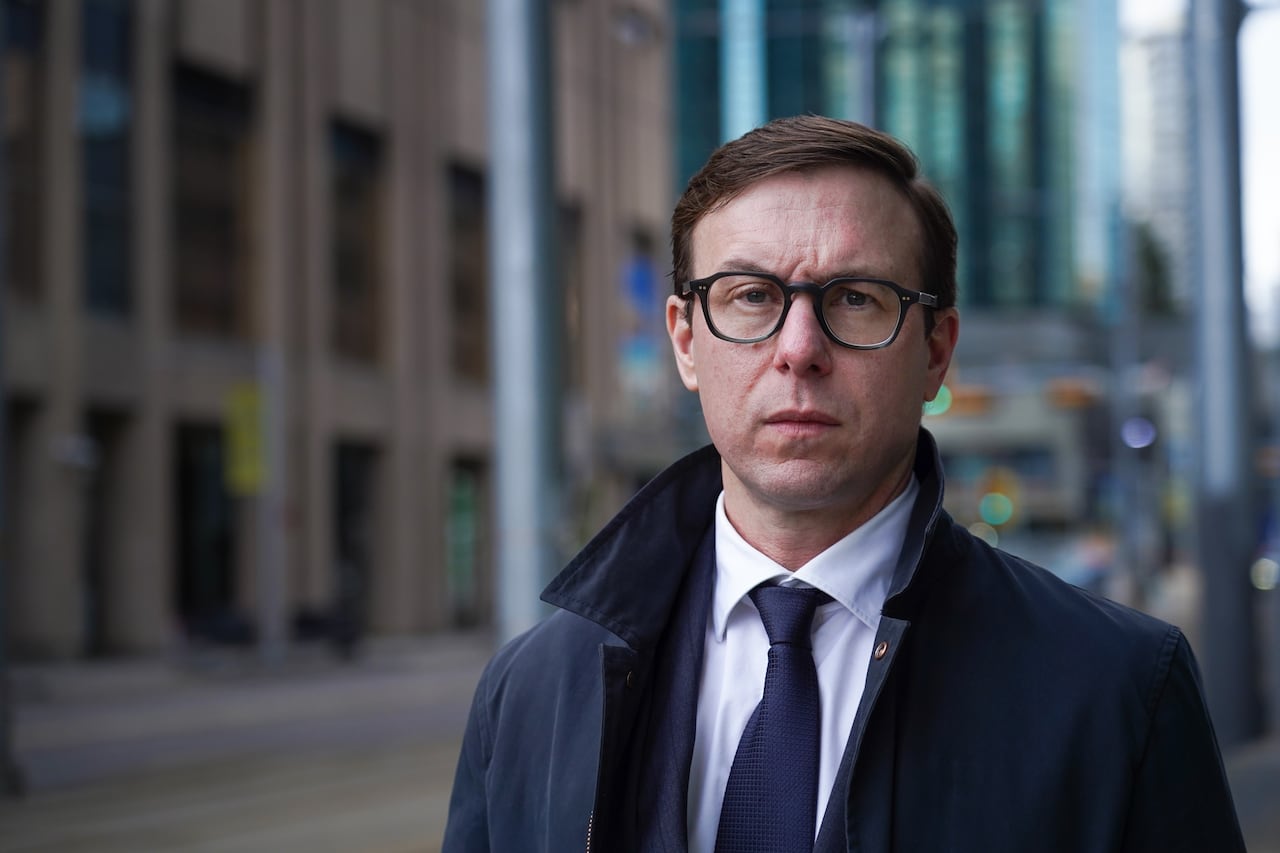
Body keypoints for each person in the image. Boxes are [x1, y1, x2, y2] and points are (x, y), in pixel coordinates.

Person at [442, 116, 1244, 852]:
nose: (799, 348)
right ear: (686, 341)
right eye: (751, 296)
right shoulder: (530, 694)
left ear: (935, 351)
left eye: (856, 299)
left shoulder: (1121, 690)